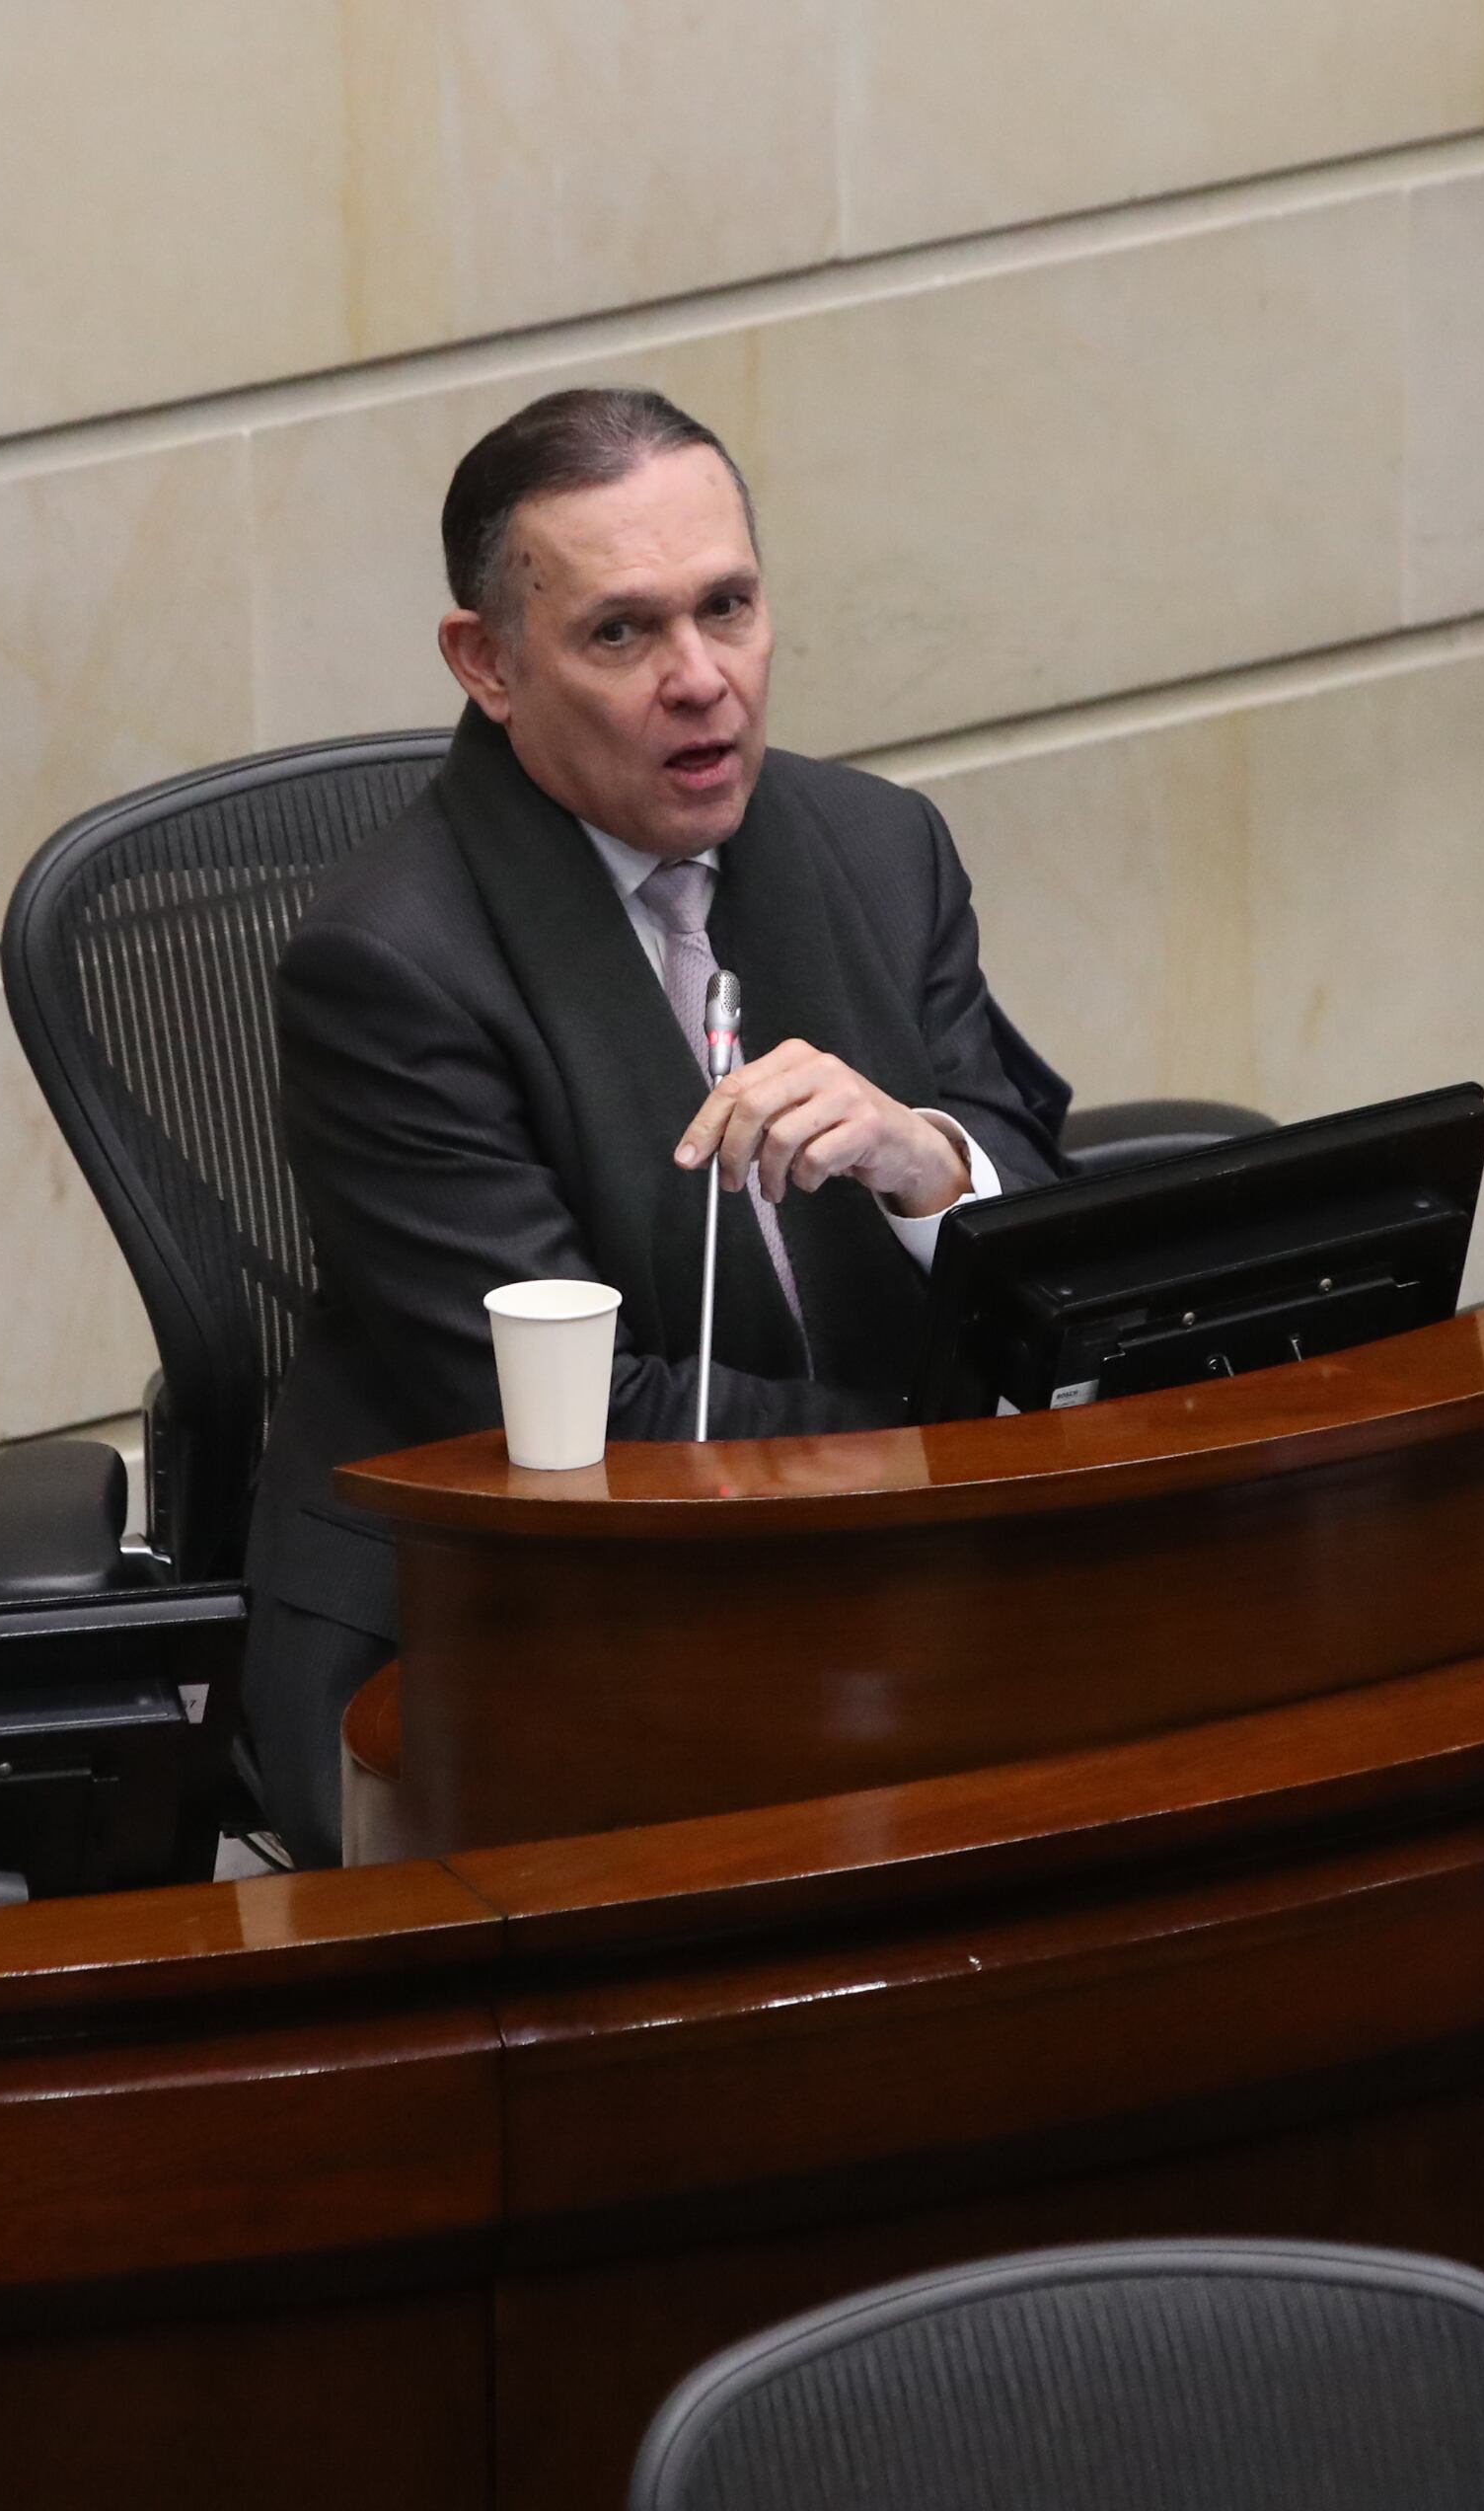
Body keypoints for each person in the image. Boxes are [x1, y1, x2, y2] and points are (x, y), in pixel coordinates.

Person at [244, 386, 1071, 1863]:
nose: (704, 680)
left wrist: (930, 1167)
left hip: (882, 1570)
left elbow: (1039, 1212)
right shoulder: (388, 966)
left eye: (728, 608)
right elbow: (579, 1417)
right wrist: (963, 1464)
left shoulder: (881, 846)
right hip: (512, 1620)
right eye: (622, 632)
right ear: (488, 663)